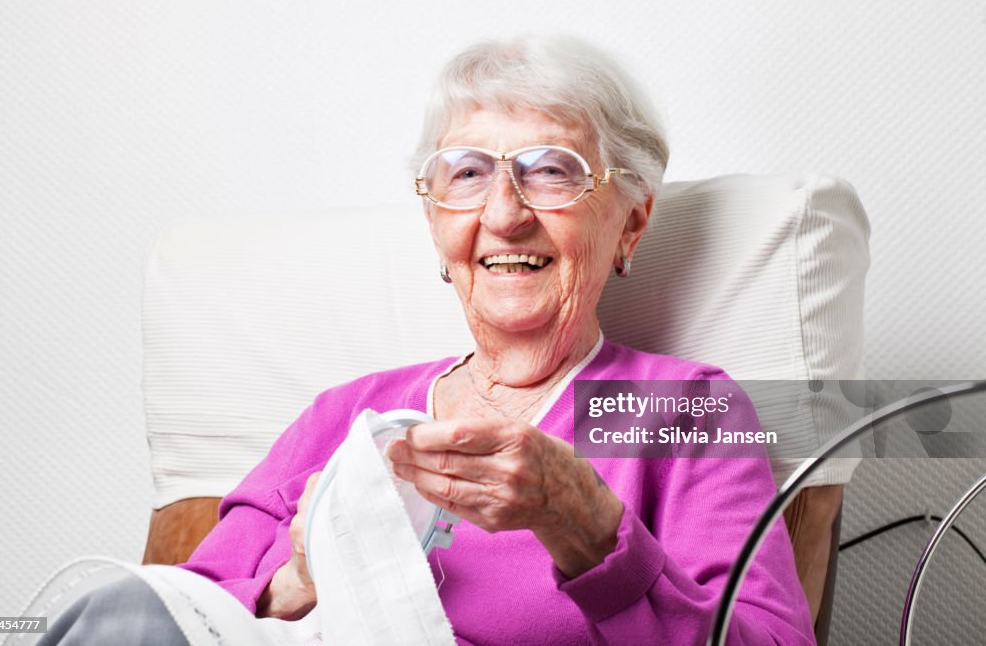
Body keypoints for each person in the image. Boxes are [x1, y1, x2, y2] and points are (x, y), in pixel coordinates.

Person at [42, 36, 815, 645]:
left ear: (633, 221)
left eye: (551, 172)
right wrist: (299, 579)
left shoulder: (682, 412)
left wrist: (589, 529)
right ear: (435, 219)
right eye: (468, 174)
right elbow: (181, 612)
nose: (504, 214)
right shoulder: (348, 413)